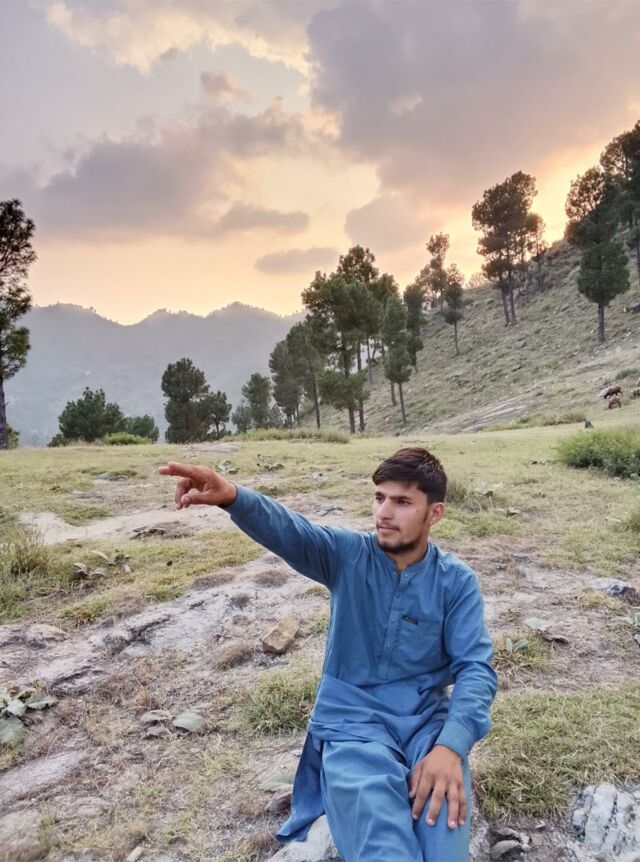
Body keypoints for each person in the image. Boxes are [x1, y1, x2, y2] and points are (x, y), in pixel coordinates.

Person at [159, 447, 497, 862]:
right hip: (352, 725)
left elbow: (476, 669)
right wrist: (232, 496)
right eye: (379, 498)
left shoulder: (456, 582)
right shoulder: (347, 555)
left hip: (426, 729)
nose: (384, 513)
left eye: (402, 502)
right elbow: (292, 531)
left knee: (445, 849)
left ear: (435, 513)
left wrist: (450, 748)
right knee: (385, 850)